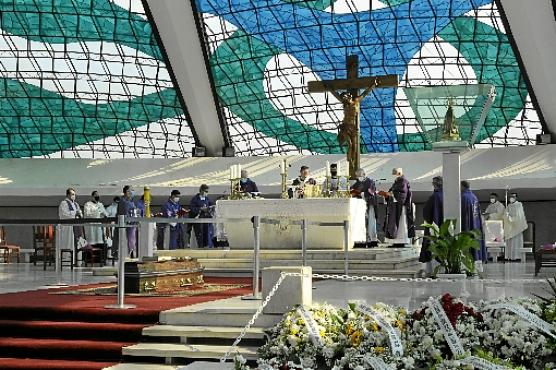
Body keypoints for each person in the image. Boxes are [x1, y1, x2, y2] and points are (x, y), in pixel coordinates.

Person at [383, 168, 415, 244]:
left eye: (395, 174)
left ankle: (401, 241)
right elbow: (392, 191)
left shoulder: (403, 181)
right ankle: (395, 240)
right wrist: (387, 195)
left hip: (401, 207)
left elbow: (403, 194)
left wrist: (391, 195)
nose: (394, 176)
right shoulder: (397, 182)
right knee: (393, 222)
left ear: (399, 173)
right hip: (395, 206)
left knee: (401, 224)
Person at [419, 176, 444, 269]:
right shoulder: (446, 195)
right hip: (444, 227)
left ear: (434, 185)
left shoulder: (434, 197)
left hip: (433, 226)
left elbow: (426, 212)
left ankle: (432, 270)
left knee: (431, 248)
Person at [461, 180, 486, 263]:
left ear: (462, 187)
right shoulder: (474, 196)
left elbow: (463, 214)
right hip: (475, 223)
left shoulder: (464, 197)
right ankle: (477, 257)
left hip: (468, 224)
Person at [350, 168, 378, 244]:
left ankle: (372, 239)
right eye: (357, 176)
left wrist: (362, 194)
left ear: (364, 174)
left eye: (359, 175)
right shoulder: (358, 182)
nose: (358, 177)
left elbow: (372, 192)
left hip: (369, 204)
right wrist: (351, 192)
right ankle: (361, 239)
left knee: (370, 222)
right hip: (360, 205)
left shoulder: (370, 182)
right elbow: (352, 189)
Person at [115, 185, 138, 257]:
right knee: (126, 243)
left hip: (132, 226)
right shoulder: (123, 202)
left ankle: (131, 253)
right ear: (127, 192)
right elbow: (125, 214)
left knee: (132, 242)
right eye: (132, 190)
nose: (133, 192)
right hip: (126, 227)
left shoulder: (131, 201)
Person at [504, 193, 527, 262]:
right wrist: (506, 215)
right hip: (509, 227)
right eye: (510, 197)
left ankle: (517, 256)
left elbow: (519, 215)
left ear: (516, 198)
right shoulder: (508, 205)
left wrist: (510, 218)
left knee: (516, 242)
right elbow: (505, 215)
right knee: (509, 242)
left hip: (517, 227)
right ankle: (509, 256)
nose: (511, 198)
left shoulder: (519, 205)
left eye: (513, 197)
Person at [189, 184, 214, 248]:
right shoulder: (195, 199)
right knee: (200, 235)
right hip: (198, 221)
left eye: (207, 192)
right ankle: (200, 247)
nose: (206, 193)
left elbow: (211, 205)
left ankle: (207, 246)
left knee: (207, 235)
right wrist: (200, 209)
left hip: (206, 220)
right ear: (201, 190)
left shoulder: (207, 199)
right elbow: (192, 209)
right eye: (205, 191)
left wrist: (210, 208)